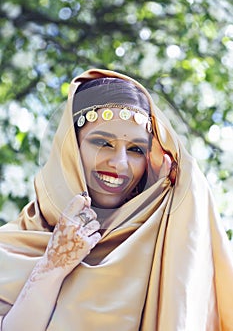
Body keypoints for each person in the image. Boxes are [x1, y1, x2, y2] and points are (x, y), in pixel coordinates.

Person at [0, 68, 232, 331]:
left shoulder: (162, 246)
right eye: (102, 142)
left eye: (136, 150)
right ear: (69, 149)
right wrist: (52, 265)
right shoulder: (9, 247)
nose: (119, 164)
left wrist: (165, 195)